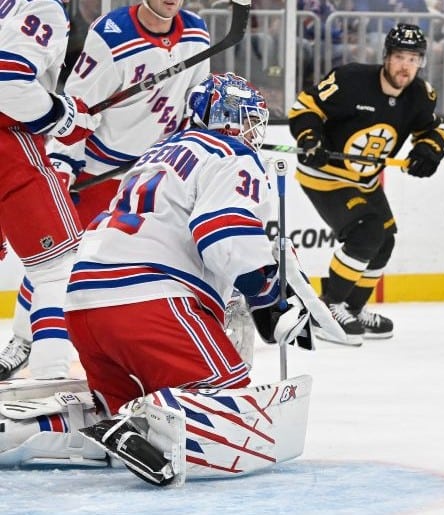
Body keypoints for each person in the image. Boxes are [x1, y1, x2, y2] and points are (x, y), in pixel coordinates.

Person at [0, 72, 317, 486]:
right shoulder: (232, 153)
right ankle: (145, 423)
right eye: (250, 119)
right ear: (229, 118)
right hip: (149, 301)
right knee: (225, 397)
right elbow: (224, 233)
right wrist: (266, 292)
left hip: (83, 305)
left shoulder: (157, 153)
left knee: (108, 408)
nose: (255, 131)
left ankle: (30, 430)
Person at [0, 0, 214, 382]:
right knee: (54, 260)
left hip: (152, 171)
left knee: (153, 261)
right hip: (98, 169)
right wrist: (65, 162)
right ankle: (24, 341)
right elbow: (81, 101)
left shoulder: (197, 32)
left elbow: (196, 98)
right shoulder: (112, 33)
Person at [289, 23, 444, 345]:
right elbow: (306, 108)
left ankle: (353, 307)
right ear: (386, 57)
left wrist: (426, 152)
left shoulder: (419, 95)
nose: (406, 66)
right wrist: (310, 138)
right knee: (366, 231)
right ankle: (326, 309)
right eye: (400, 57)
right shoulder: (350, 80)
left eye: (414, 59)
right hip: (326, 176)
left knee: (384, 240)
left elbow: (433, 132)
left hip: (364, 180)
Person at [0, 0, 99, 380]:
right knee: (59, 269)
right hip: (9, 147)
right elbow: (7, 78)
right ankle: (50, 382)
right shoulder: (42, 6)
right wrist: (60, 116)